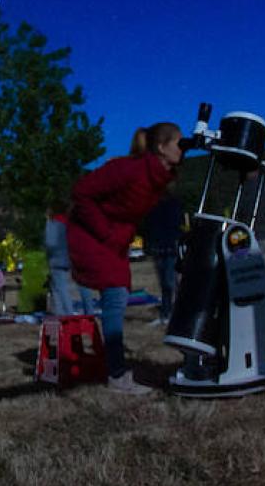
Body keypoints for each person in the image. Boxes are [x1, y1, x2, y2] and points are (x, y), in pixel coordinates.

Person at [67, 123, 185, 395]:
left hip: (115, 239)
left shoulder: (159, 176)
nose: (183, 148)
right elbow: (81, 191)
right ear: (161, 147)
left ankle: (115, 368)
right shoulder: (128, 169)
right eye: (179, 143)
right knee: (116, 295)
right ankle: (117, 374)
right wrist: (105, 231)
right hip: (90, 235)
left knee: (118, 294)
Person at [43, 205, 94, 316]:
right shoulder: (71, 220)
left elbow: (50, 243)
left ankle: (66, 313)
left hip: (58, 259)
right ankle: (89, 310)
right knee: (82, 285)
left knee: (59, 287)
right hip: (75, 254)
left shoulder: (53, 222)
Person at [142, 190, 184, 326]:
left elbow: (177, 224)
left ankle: (176, 313)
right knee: (165, 284)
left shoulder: (173, 204)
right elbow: (148, 226)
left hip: (170, 248)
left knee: (170, 283)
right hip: (158, 248)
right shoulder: (152, 205)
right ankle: (166, 313)